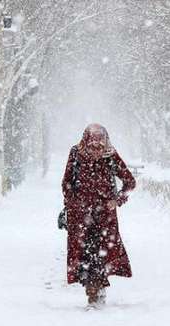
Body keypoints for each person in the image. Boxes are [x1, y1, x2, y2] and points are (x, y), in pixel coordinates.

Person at [61, 123, 136, 308]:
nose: (96, 149)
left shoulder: (110, 156)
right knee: (85, 255)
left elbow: (130, 182)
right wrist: (73, 203)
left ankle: (96, 293)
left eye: (100, 145)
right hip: (80, 217)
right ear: (86, 140)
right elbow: (66, 183)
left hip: (105, 218)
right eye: (93, 144)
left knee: (100, 255)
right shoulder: (76, 153)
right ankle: (93, 292)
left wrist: (117, 200)